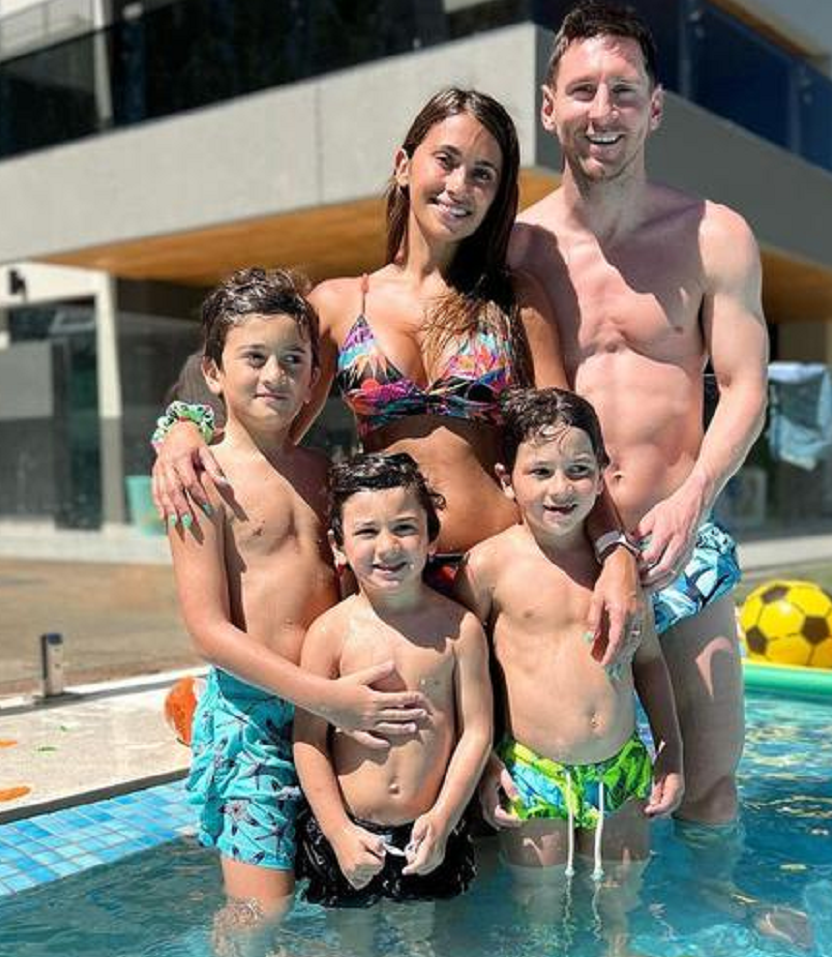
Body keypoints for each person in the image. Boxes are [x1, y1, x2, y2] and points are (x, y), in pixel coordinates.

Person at [150, 87, 642, 666]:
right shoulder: (338, 305)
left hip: (502, 574)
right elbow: (256, 398)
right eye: (447, 160)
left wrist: (616, 552)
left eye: (484, 174)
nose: (461, 186)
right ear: (404, 166)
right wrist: (181, 429)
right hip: (389, 583)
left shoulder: (514, 302)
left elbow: (569, 439)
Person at [497, 0, 769, 834]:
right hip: (560, 558)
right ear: (549, 108)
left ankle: (718, 946)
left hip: (675, 542)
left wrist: (693, 501)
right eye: (582, 91)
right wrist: (189, 419)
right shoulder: (515, 247)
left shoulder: (714, 235)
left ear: (654, 107)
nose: (601, 112)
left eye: (622, 90)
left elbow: (747, 387)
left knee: (711, 784)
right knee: (544, 799)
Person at [168, 267, 432, 919]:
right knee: (262, 913)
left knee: (347, 888)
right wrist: (326, 697)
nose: (274, 375)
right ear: (213, 371)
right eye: (253, 358)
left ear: (315, 377)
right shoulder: (204, 478)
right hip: (257, 719)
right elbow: (207, 628)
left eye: (293, 360)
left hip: (332, 715)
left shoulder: (324, 474)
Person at [455, 389, 683, 957]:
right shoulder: (489, 566)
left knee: (621, 892)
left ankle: (619, 954)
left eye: (580, 471)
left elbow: (651, 662)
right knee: (541, 900)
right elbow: (464, 671)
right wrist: (483, 763)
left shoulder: (621, 572)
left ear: (603, 475)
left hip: (622, 765)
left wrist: (671, 752)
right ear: (508, 480)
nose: (561, 489)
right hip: (534, 772)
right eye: (542, 472)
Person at [292, 452, 492, 907]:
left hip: (431, 829)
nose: (387, 547)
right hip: (347, 830)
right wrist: (338, 832)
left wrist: (443, 818)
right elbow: (308, 740)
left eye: (404, 528)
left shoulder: (459, 630)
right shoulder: (330, 633)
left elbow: (476, 731)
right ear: (338, 545)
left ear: (431, 539)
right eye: (366, 532)